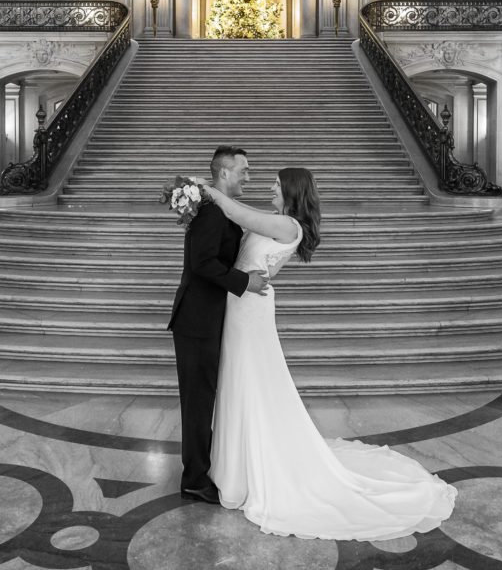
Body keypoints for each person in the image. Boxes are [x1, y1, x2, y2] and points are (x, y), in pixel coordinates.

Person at [202, 168, 457, 540]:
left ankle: (249, 467)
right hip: (239, 303)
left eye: (276, 183)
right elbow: (241, 220)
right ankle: (238, 464)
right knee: (241, 379)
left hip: (250, 311)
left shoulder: (290, 227)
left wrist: (205, 190)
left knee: (251, 378)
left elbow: (238, 214)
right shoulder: (277, 220)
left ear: (291, 191)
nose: (270, 187)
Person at [167, 146, 269, 504]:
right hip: (196, 321)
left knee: (202, 398)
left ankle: (200, 468)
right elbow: (202, 264)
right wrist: (245, 283)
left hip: (205, 317)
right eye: (244, 170)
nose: (248, 177)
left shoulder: (218, 210)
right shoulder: (211, 213)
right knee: (197, 402)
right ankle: (194, 479)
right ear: (224, 173)